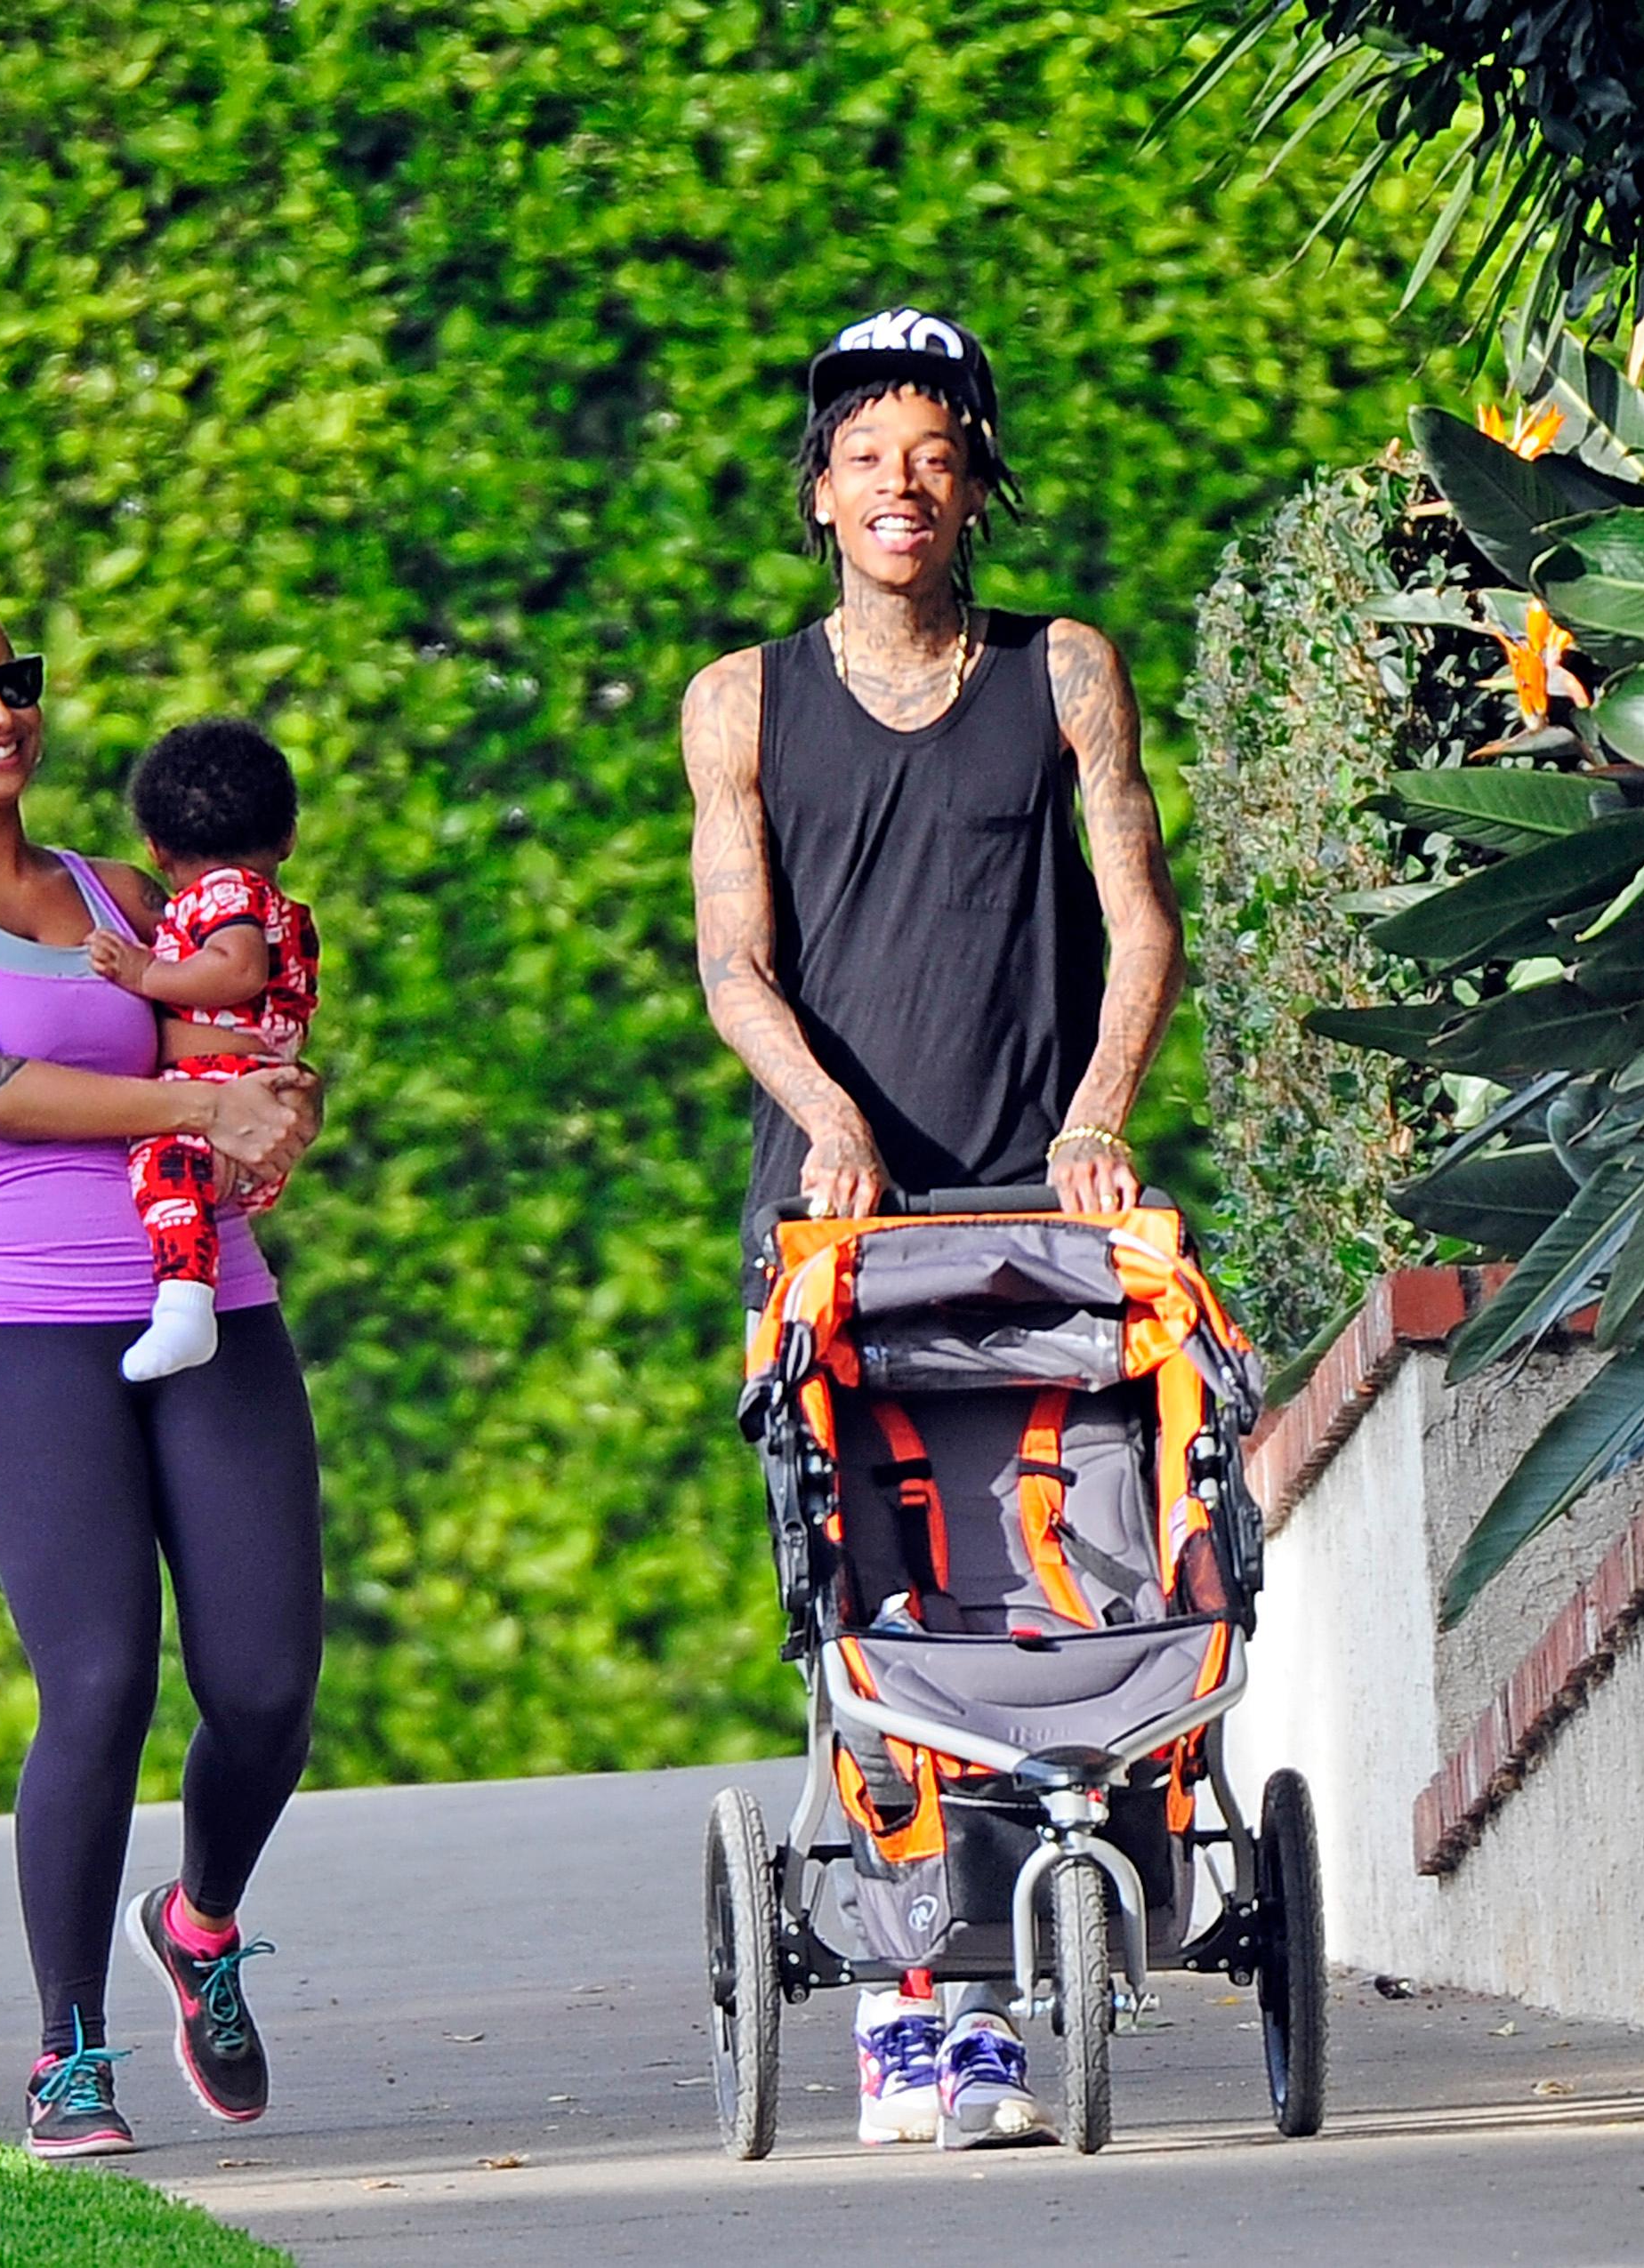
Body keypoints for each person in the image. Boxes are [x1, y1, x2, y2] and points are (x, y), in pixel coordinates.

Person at [679, 310, 1191, 2149]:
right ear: (818, 494)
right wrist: (829, 1123)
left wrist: (1098, 1117)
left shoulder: (1063, 671)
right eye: (865, 455)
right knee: (870, 1579)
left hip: (1040, 1199)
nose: (901, 483)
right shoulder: (742, 700)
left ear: (975, 481)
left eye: (935, 450)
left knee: (1053, 1569)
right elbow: (737, 959)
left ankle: (1032, 1936)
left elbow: (1138, 916)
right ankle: (923, 2002)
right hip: (839, 1218)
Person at [0, 590, 326, 2159]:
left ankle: (198, 1921)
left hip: (212, 1301)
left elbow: (249, 1041)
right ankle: (66, 2052)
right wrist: (191, 1096)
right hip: (24, 1321)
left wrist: (278, 1107)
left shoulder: (127, 889)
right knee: (98, 1681)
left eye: (11, 685)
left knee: (263, 1686)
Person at [84, 719, 321, 1384]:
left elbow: (237, 970)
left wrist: (142, 975)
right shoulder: (272, 900)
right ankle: (186, 1307)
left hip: (223, 1086)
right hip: (258, 1093)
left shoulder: (223, 893)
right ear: (288, 836)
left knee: (165, 1171)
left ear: (157, 851)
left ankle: (186, 1307)